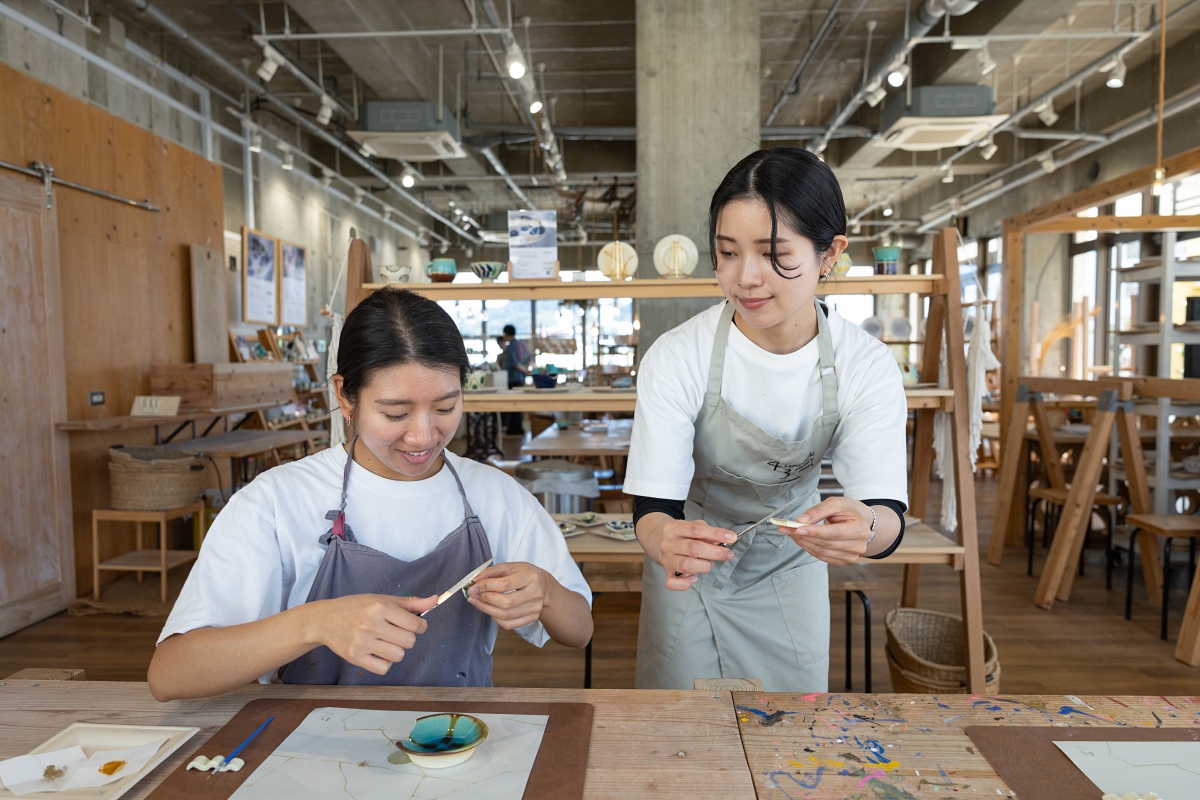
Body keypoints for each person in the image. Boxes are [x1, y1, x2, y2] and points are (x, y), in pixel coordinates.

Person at [147, 287, 593, 701]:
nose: (422, 435)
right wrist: (314, 623)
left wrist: (547, 593)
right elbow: (171, 673)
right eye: (395, 412)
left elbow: (580, 630)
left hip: (455, 745)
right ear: (344, 396)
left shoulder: (495, 496)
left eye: (445, 407)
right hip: (309, 753)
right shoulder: (276, 503)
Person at [624, 147, 908, 692]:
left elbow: (886, 512)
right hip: (691, 567)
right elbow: (652, 505)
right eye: (727, 253)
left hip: (790, 565)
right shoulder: (678, 355)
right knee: (680, 741)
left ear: (830, 254)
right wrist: (665, 540)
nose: (746, 278)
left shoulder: (864, 365)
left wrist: (865, 530)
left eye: (774, 254)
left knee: (789, 740)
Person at [500, 324, 533, 435]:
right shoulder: (522, 344)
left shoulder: (511, 346)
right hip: (521, 378)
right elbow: (528, 358)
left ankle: (513, 429)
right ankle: (518, 427)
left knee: (512, 404)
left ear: (506, 334)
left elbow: (514, 363)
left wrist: (523, 370)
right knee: (518, 403)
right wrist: (526, 370)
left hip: (512, 378)